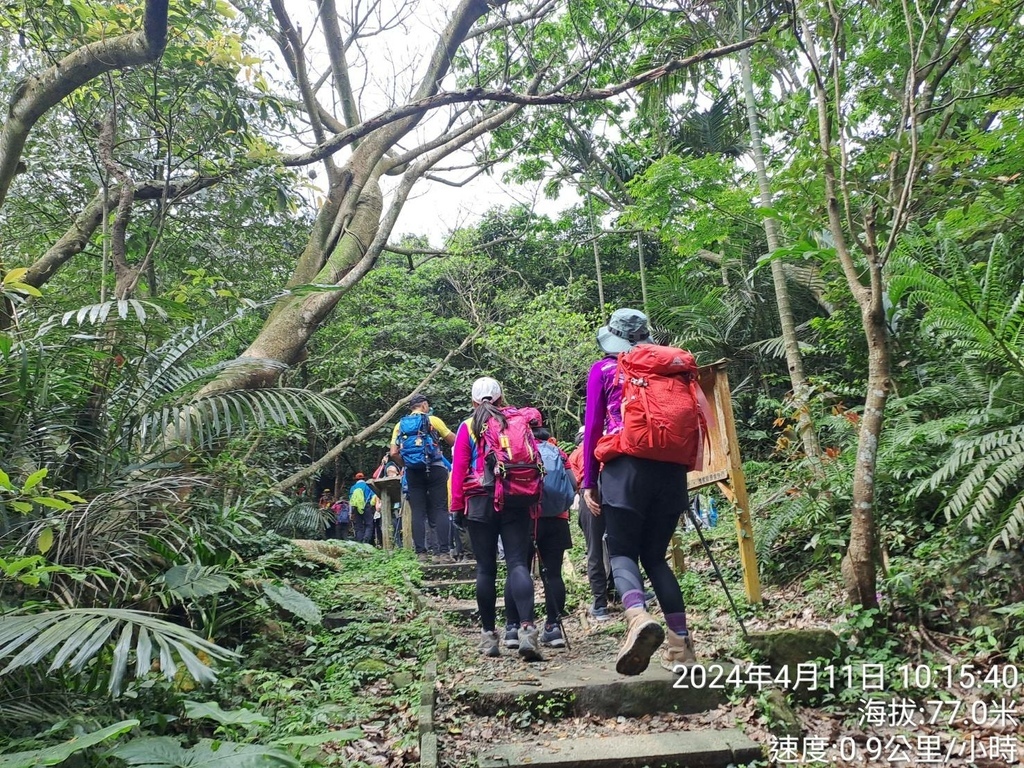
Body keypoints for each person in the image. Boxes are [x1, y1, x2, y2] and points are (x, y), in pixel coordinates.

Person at [581, 308, 697, 675]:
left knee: (621, 553)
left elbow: (594, 425)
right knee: (656, 557)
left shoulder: (603, 370)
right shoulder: (671, 369)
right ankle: (682, 646)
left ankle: (636, 617)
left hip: (624, 470)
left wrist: (588, 481)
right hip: (672, 473)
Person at [450, 377, 543, 661]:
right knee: (517, 563)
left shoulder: (468, 426)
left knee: (486, 569)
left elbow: (459, 468)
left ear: (474, 401)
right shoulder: (514, 419)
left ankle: (489, 637)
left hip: (479, 501)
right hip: (514, 497)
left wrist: (456, 506)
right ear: (501, 397)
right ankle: (527, 630)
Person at [503, 410, 575, 649]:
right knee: (553, 574)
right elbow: (573, 483)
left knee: (517, 569)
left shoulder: (516, 449)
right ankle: (553, 628)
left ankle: (514, 627)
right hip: (556, 519)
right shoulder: (557, 451)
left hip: (523, 518)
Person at [390, 394, 457, 563]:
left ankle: (421, 554)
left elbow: (393, 453)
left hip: (413, 472)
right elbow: (454, 440)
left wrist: (407, 464)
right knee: (441, 509)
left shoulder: (400, 425)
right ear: (424, 406)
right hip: (435, 468)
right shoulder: (433, 420)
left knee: (418, 512)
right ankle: (443, 553)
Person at [569, 425, 613, 622]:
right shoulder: (603, 447)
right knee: (618, 544)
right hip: (613, 490)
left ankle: (600, 603)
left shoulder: (575, 454)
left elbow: (572, 483)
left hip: (589, 493)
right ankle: (625, 592)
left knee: (594, 548)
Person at [349, 472, 378, 544]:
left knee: (358, 525)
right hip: (367, 506)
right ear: (363, 479)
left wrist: (350, 512)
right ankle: (366, 540)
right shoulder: (367, 486)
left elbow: (351, 500)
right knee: (369, 524)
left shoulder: (353, 487)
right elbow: (373, 497)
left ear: (356, 480)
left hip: (356, 507)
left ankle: (359, 541)